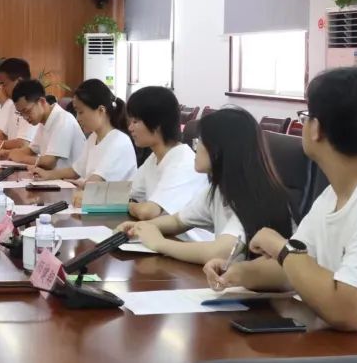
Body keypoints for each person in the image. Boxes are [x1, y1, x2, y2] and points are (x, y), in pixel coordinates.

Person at [206, 67, 357, 350]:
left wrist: (281, 248)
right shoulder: (334, 193)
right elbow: (295, 271)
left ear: (316, 128)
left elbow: (347, 310)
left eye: (306, 116)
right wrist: (236, 273)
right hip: (332, 343)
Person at [119, 107, 294, 264]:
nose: (195, 148)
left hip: (259, 288)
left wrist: (160, 243)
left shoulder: (252, 196)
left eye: (199, 141)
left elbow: (219, 253)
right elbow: (178, 221)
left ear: (219, 149)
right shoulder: (219, 189)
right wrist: (140, 228)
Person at [126, 86, 205, 222]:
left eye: (135, 121)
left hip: (185, 235)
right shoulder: (155, 157)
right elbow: (129, 193)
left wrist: (128, 206)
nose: (130, 128)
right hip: (161, 232)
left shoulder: (183, 163)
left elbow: (147, 212)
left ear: (157, 124)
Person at [5, 79, 85, 177]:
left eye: (27, 111)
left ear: (42, 102)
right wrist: (7, 153)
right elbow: (32, 150)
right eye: (21, 114)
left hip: (70, 182)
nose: (25, 117)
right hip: (54, 179)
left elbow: (49, 162)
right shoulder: (43, 121)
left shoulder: (63, 120)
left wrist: (21, 158)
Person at [70, 79, 137, 186]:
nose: (77, 118)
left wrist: (79, 185)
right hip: (95, 195)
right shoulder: (93, 137)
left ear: (101, 110)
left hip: (108, 196)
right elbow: (76, 171)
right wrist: (48, 175)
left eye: (81, 112)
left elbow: (96, 182)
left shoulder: (119, 141)